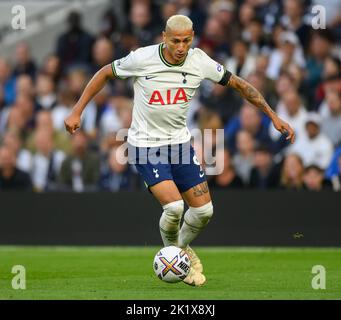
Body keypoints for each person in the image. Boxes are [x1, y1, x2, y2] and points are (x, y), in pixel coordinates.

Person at [64, 15, 295, 286]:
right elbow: (104, 72)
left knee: (204, 212)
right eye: (175, 40)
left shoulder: (200, 61)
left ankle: (180, 250)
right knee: (174, 207)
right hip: (145, 145)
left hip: (180, 145)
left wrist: (273, 116)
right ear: (164, 37)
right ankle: (176, 260)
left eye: (187, 40)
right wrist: (77, 110)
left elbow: (240, 85)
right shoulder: (141, 58)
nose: (181, 46)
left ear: (193, 37)